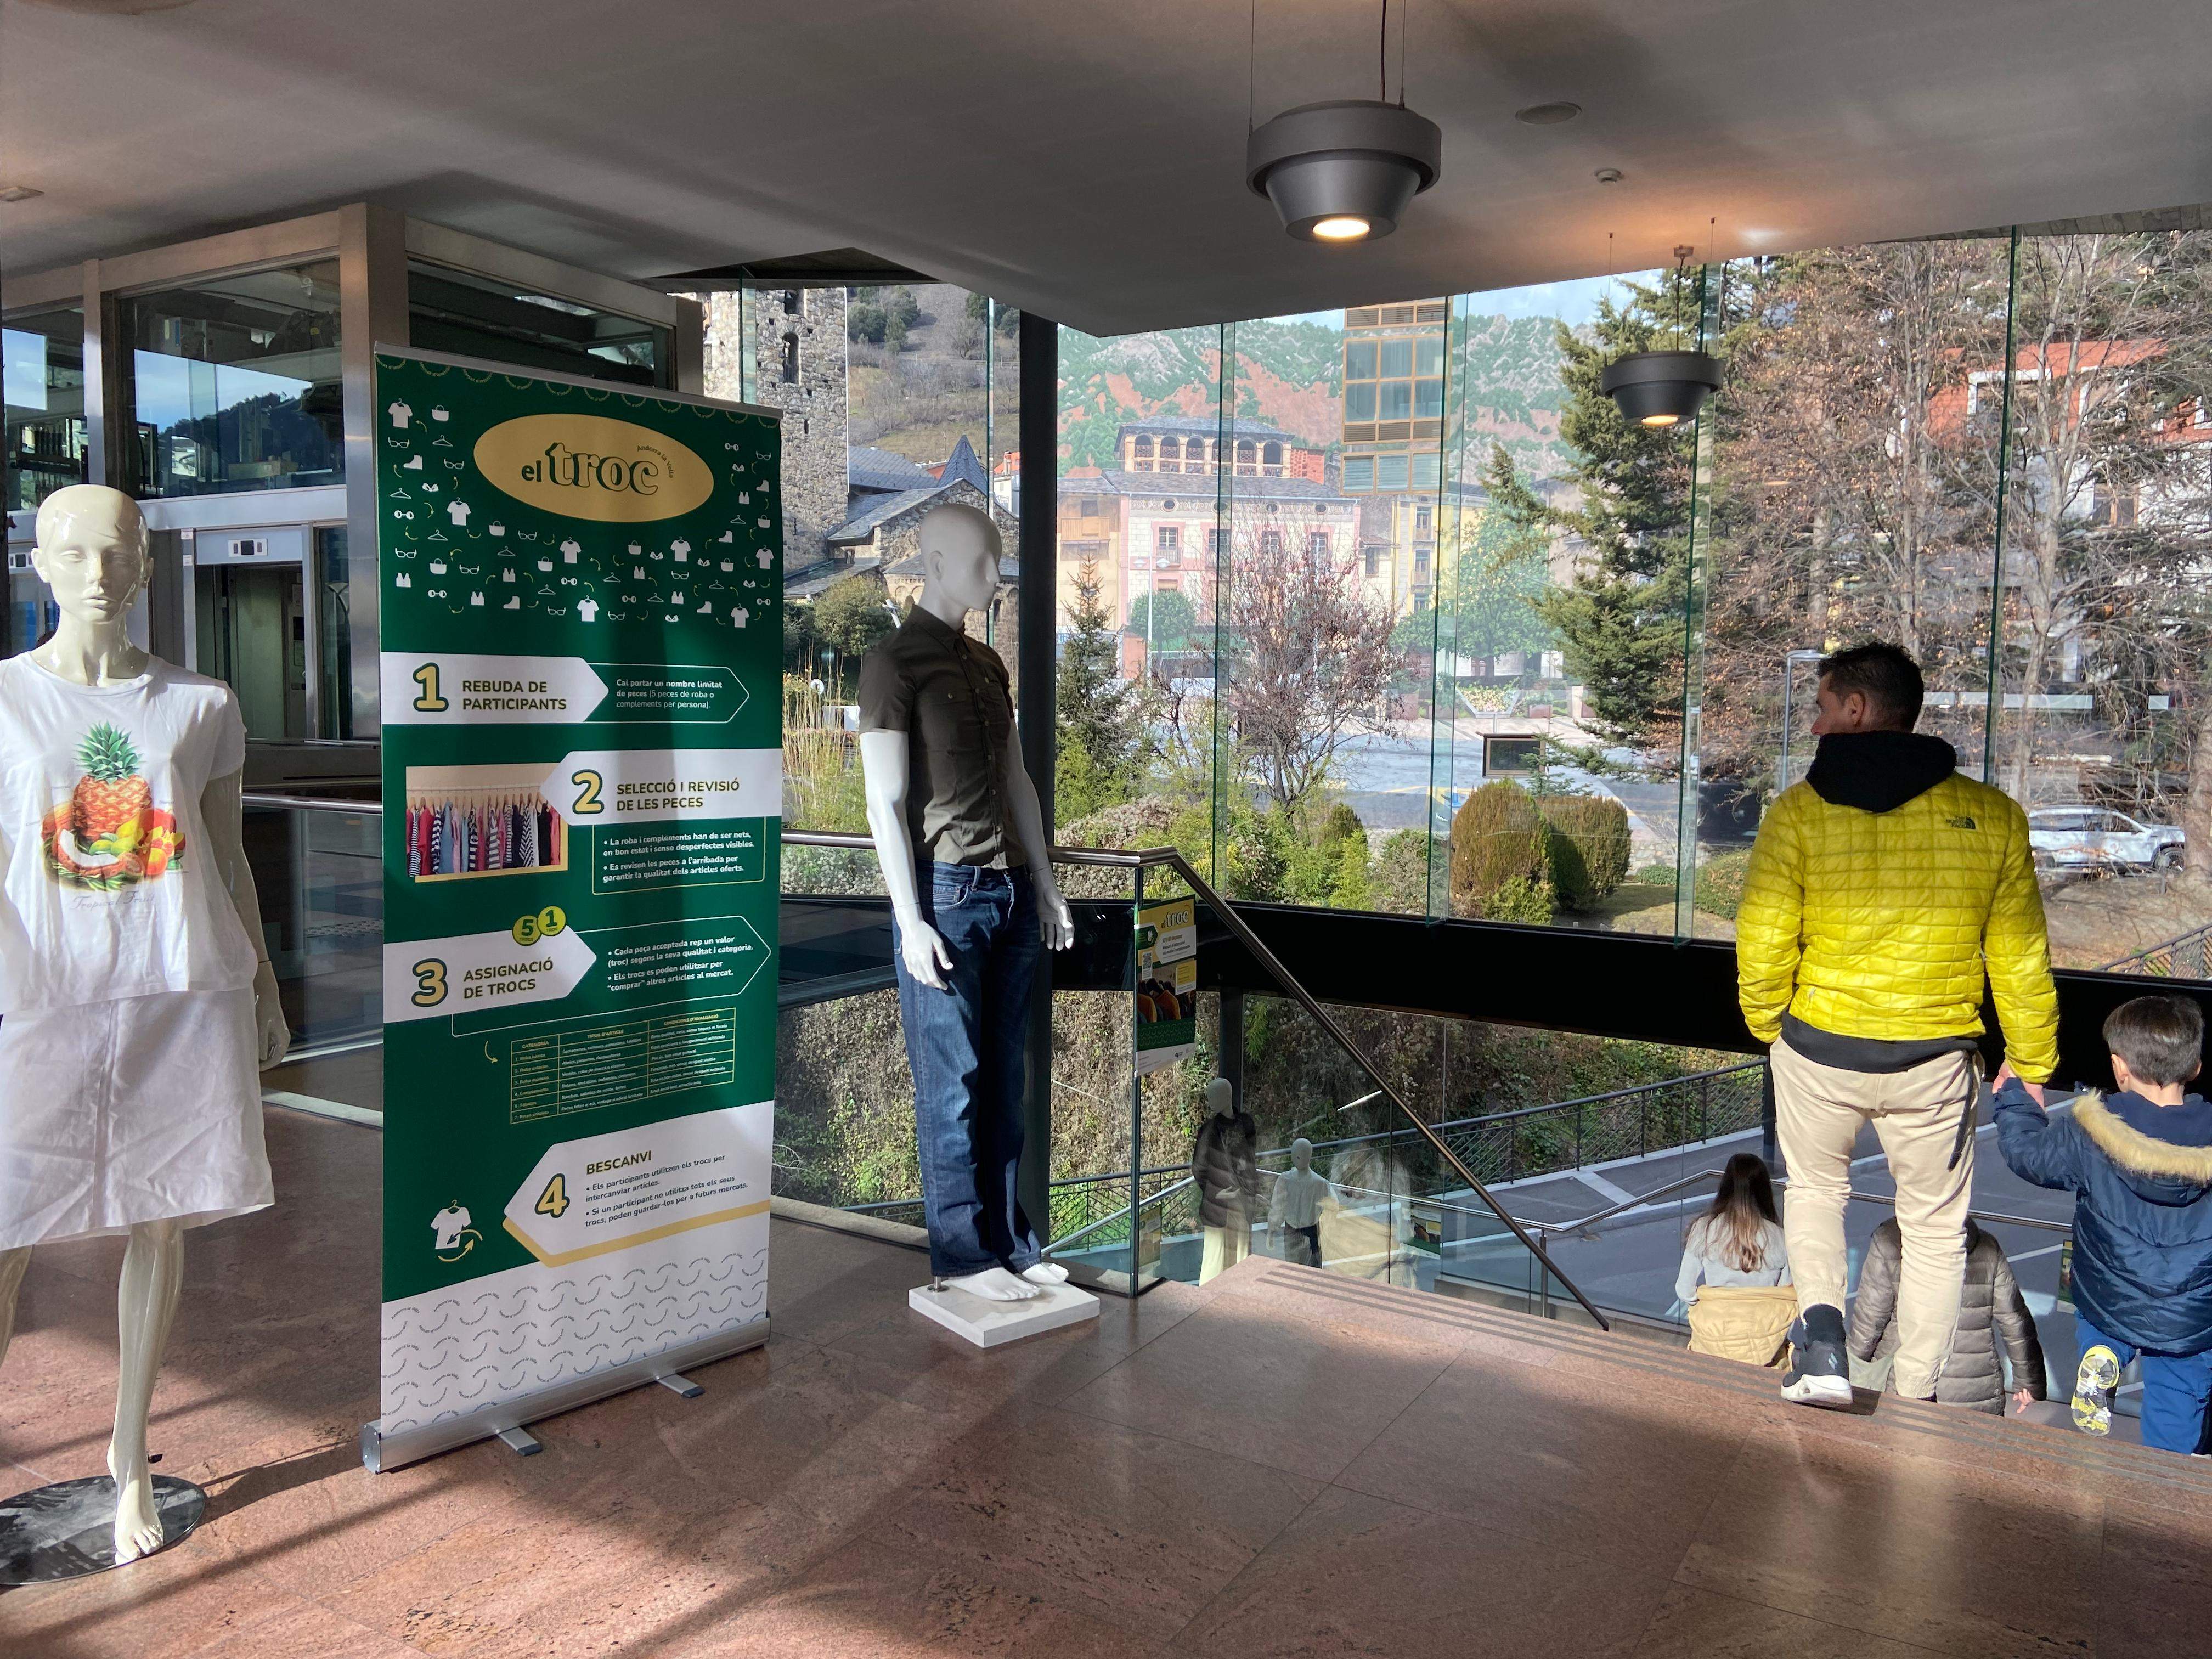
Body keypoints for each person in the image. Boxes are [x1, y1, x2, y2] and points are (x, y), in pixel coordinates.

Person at [1736, 641, 2058, 1409]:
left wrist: (1767, 1022)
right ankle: (1916, 1402)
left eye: (1820, 707)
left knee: (1816, 1189)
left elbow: (1764, 936)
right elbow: (2020, 956)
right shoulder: (1994, 817)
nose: (1814, 724)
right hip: (1933, 1061)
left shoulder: (1799, 812)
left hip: (1820, 1047)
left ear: (1856, 710)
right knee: (1936, 1232)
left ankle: (1822, 1348)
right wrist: (2034, 1059)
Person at [1995, 995, 2212, 1453]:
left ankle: (2105, 1353)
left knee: (2102, 1322)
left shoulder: (2092, 1128)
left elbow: (2028, 1155)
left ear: (2119, 1068)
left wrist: (2014, 1096)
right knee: (2178, 1399)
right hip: (2192, 1316)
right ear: (2194, 1067)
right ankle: (2162, 1487)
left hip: (2110, 1293)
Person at [1848, 1217, 2046, 1414]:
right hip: (1975, 1389)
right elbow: (2014, 1320)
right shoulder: (1986, 1245)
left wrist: (1849, 1367)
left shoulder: (1889, 1240)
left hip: (1905, 1379)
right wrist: (2029, 1382)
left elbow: (1869, 1320)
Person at [1676, 1154, 1798, 1367]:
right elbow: (1784, 1297)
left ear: (1726, 1186)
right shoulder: (1781, 1236)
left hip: (1711, 1341)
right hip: (1764, 1348)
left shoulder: (1704, 1229)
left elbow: (1684, 1290)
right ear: (1764, 1191)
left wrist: (1716, 1303)